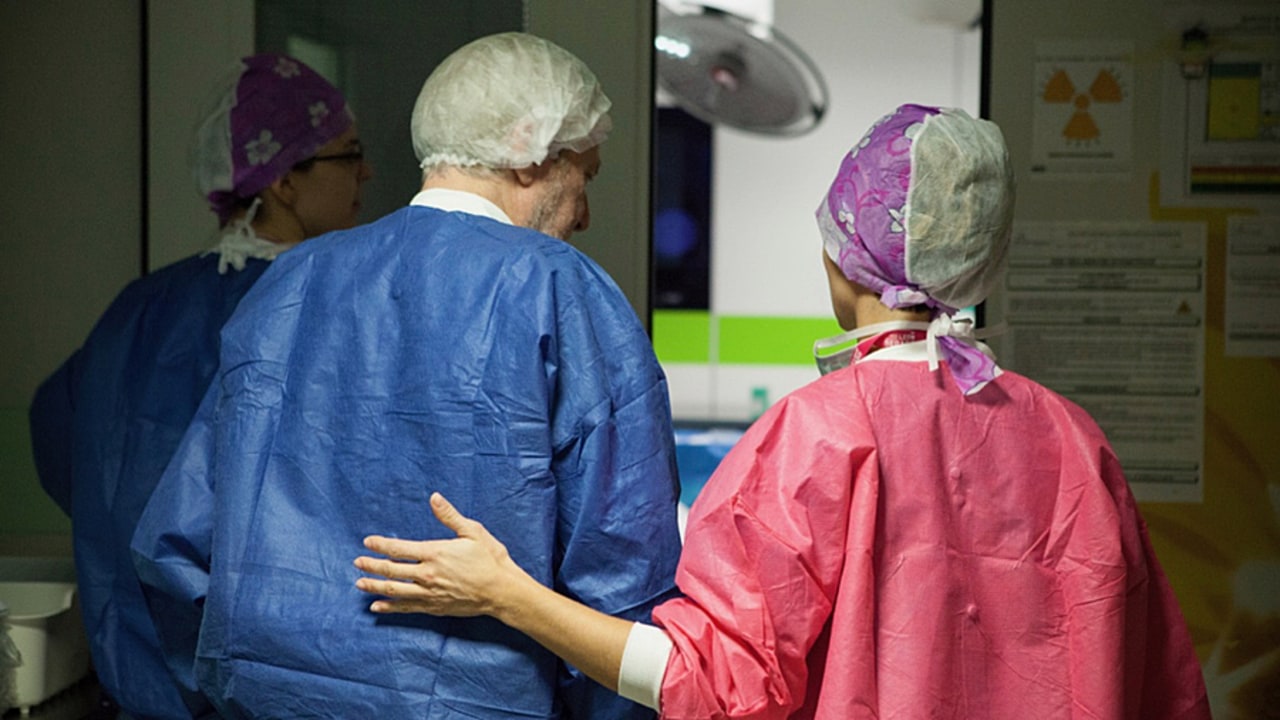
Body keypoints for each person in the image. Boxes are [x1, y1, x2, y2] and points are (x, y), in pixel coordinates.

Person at [353, 104, 1213, 719]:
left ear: (842, 254)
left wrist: (506, 595)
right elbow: (1165, 686)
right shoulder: (1072, 441)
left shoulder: (823, 434)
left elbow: (704, 679)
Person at [130, 32, 682, 719]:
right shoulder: (558, 289)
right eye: (585, 178)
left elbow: (174, 546)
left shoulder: (291, 284)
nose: (585, 215)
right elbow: (624, 577)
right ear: (530, 151)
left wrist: (250, 688)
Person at [27, 53, 371, 719]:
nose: (366, 173)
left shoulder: (138, 311)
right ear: (283, 182)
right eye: (348, 154)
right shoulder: (324, 306)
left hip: (141, 683)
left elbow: (65, 445)